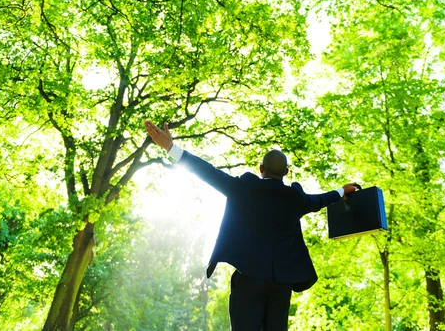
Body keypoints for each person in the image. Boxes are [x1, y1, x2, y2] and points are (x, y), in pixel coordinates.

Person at [144, 120, 359, 331]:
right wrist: (341, 191)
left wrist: (171, 148)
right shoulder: (296, 198)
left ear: (261, 168)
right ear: (286, 173)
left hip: (249, 279)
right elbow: (319, 200)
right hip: (281, 284)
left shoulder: (243, 188)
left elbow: (209, 172)